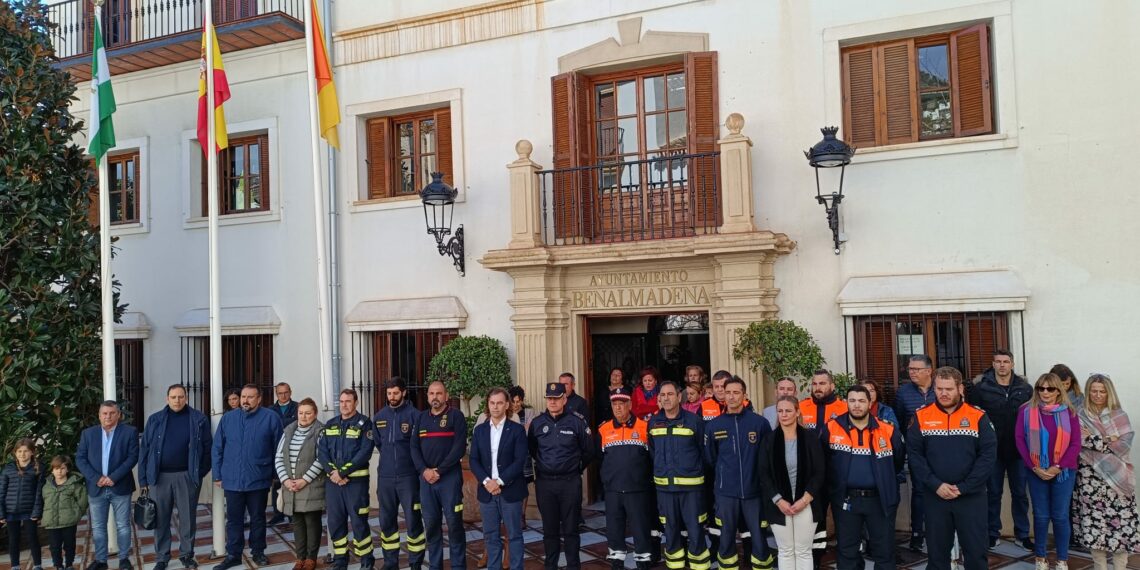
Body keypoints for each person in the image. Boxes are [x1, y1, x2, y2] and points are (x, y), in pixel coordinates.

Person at [907, 367, 996, 570]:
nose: (943, 393)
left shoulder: (977, 416)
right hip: (935, 497)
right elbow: (915, 456)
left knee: (976, 555)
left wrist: (964, 487)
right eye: (939, 389)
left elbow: (988, 456)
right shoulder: (921, 416)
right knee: (937, 557)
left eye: (949, 389)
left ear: (960, 389)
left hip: (971, 498)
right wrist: (935, 484)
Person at [822, 386, 905, 570]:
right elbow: (824, 463)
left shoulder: (888, 430)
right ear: (846, 402)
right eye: (852, 400)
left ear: (870, 403)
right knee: (847, 552)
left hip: (880, 501)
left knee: (884, 552)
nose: (856, 405)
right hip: (846, 501)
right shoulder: (831, 428)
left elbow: (897, 462)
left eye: (861, 401)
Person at [139, 384, 213, 570]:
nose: (177, 400)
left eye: (180, 397)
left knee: (187, 519)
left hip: (186, 477)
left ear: (186, 398)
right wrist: (143, 479)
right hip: (159, 477)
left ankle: (186, 555)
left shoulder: (198, 419)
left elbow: (207, 448)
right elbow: (145, 450)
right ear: (167, 398)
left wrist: (198, 473)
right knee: (160, 519)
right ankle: (162, 557)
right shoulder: (155, 419)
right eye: (173, 397)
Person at [212, 384, 284, 570]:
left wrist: (276, 475)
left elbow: (279, 449)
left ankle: (258, 552)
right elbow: (217, 447)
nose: (245, 400)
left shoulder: (271, 418)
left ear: (259, 399)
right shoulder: (228, 418)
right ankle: (233, 555)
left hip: (259, 478)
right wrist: (217, 474)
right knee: (234, 520)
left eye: (250, 397)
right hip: (232, 479)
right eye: (243, 396)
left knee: (258, 518)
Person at [705, 376, 773, 570]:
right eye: (728, 392)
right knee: (726, 537)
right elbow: (710, 458)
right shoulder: (714, 425)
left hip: (754, 492)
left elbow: (768, 457)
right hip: (726, 493)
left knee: (758, 537)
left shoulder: (759, 423)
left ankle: (762, 566)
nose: (731, 396)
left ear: (744, 395)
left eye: (736, 392)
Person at [967, 349, 1033, 549]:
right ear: (993, 364)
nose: (1002, 365)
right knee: (993, 493)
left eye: (1006, 361)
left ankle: (1022, 534)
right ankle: (991, 533)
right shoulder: (981, 388)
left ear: (1012, 364)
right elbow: (973, 419)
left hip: (1019, 451)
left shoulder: (1025, 388)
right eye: (998, 361)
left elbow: (1032, 419)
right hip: (992, 452)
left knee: (1020, 494)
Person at [1072, 374, 1139, 570]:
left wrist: (1095, 439)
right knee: (1095, 528)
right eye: (1094, 391)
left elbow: (1124, 445)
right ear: (1088, 392)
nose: (1098, 395)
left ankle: (1120, 567)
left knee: (1121, 527)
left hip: (1118, 480)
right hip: (1089, 479)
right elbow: (1080, 441)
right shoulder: (1080, 414)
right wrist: (1110, 439)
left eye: (1102, 391)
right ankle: (1099, 567)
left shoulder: (1120, 415)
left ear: (1109, 393)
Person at [1016, 373, 1081, 570]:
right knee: (1041, 515)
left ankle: (1062, 560)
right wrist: (1034, 466)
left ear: (1058, 391)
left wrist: (1057, 467)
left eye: (1050, 388)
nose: (1045, 392)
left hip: (1063, 472)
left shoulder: (1070, 412)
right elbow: (1019, 439)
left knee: (1060, 516)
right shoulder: (1026, 411)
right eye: (1041, 388)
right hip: (1036, 471)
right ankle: (1040, 558)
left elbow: (1075, 444)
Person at [529, 381, 595, 570]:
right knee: (549, 530)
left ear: (564, 399)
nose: (552, 402)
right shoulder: (537, 423)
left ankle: (573, 566)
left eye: (556, 398)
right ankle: (551, 566)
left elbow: (589, 451)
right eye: (549, 398)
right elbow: (532, 449)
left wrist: (576, 467)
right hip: (545, 484)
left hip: (569, 483)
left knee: (571, 530)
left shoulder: (577, 421)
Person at [648, 380, 710, 570]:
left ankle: (700, 566)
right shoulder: (653, 422)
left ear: (679, 396)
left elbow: (705, 453)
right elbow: (653, 451)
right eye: (663, 395)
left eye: (670, 394)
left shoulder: (694, 421)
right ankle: (675, 565)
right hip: (665, 489)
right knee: (671, 532)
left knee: (696, 531)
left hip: (691, 490)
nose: (666, 398)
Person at [759, 397, 824, 570]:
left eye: (788, 410)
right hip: (779, 504)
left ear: (797, 412)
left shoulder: (810, 438)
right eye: (780, 411)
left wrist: (805, 499)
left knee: (803, 551)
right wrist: (778, 500)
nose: (784, 414)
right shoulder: (769, 440)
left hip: (806, 502)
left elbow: (820, 472)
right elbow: (763, 474)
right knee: (785, 551)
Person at [411, 381, 467, 570]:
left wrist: (439, 470)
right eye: (431, 393)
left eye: (439, 393)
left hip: (449, 479)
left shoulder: (456, 416)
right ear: (427, 396)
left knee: (454, 524)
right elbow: (413, 448)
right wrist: (424, 471)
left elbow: (459, 448)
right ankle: (435, 566)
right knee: (431, 525)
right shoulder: (420, 418)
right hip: (426, 480)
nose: (435, 397)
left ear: (446, 395)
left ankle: (458, 566)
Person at [77, 400, 140, 570]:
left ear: (118, 415)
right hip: (96, 487)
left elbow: (132, 457)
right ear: (99, 415)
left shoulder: (129, 432)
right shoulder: (88, 434)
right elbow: (80, 459)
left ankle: (124, 559)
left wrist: (113, 477)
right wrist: (96, 478)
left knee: (123, 525)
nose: (108, 416)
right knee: (98, 527)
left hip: (120, 486)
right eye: (104, 413)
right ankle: (101, 560)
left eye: (112, 413)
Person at [470, 387, 529, 570]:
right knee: (490, 536)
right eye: (492, 403)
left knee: (514, 536)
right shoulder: (479, 431)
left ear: (507, 405)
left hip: (510, 491)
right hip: (487, 492)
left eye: (499, 403)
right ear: (488, 405)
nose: (495, 407)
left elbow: (520, 460)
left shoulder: (517, 430)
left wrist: (499, 482)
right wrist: (487, 482)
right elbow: (473, 460)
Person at [373, 377, 427, 570]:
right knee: (387, 522)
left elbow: (420, 446)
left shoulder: (415, 416)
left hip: (409, 477)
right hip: (385, 477)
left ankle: (415, 563)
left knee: (413, 520)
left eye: (396, 393)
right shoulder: (379, 416)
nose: (392, 397)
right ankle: (390, 563)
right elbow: (379, 444)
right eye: (389, 393)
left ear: (403, 392)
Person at [319, 389, 376, 570]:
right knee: (335, 523)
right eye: (342, 401)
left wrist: (342, 472)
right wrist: (333, 473)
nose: (344, 405)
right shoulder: (331, 424)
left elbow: (364, 453)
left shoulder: (365, 424)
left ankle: (366, 561)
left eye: (348, 401)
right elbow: (322, 452)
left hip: (356, 485)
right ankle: (340, 560)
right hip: (334, 485)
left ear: (356, 402)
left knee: (359, 522)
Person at [599, 387, 655, 570]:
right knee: (614, 530)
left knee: (641, 529)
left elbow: (653, 458)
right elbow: (598, 458)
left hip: (638, 490)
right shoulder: (604, 429)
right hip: (613, 491)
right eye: (614, 404)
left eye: (622, 403)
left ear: (630, 405)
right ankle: (617, 562)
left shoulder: (645, 427)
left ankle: (643, 562)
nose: (618, 407)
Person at [276, 398, 326, 570]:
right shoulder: (288, 430)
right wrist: (285, 480)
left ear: (315, 414)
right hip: (291, 486)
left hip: (311, 486)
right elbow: (279, 457)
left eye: (308, 413)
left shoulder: (320, 431)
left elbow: (321, 459)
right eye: (301, 413)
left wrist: (304, 480)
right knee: (297, 523)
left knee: (312, 522)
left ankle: (311, 558)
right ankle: (300, 558)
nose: (303, 417)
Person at [894, 354, 937, 552]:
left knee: (939, 491)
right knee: (919, 491)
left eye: (916, 369)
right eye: (910, 369)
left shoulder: (940, 389)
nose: (911, 372)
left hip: (941, 451)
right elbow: (900, 421)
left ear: (928, 371)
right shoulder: (903, 393)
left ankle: (938, 532)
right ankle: (917, 534)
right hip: (916, 452)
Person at [1, 438, 44, 570]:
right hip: (10, 511)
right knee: (13, 539)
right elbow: (1, 491)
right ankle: (15, 566)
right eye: (19, 451)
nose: (22, 454)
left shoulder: (38, 468)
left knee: (32, 538)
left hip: (29, 510)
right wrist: (1, 513)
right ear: (15, 452)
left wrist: (37, 511)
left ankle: (37, 565)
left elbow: (39, 493)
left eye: (26, 451)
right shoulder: (8, 469)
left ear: (32, 452)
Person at [42, 455, 88, 570]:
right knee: (54, 546)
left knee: (69, 544)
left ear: (67, 469)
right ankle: (58, 565)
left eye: (62, 468)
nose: (59, 471)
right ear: (52, 470)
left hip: (69, 521)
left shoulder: (75, 485)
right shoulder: (46, 486)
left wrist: (77, 513)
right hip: (52, 522)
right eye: (56, 468)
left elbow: (83, 501)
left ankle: (69, 564)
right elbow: (43, 501)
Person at [269, 382, 299, 526]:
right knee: (277, 483)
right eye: (280, 393)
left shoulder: (298, 407)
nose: (283, 395)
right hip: (275, 450)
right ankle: (278, 513)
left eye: (286, 392)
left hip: (293, 450)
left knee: (292, 482)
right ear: (276, 394)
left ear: (290, 392)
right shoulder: (270, 410)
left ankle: (292, 513)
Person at [799, 370, 847, 434]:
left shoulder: (845, 408)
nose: (817, 388)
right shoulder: (801, 407)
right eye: (814, 384)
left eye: (822, 384)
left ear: (832, 386)